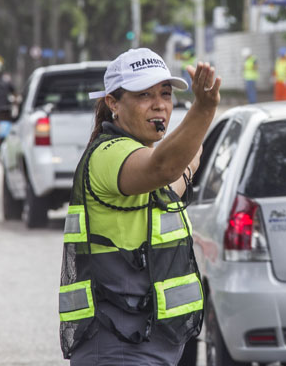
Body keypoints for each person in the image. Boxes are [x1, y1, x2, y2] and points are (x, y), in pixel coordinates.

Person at [59, 47, 220, 365]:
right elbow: (164, 169)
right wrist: (203, 111)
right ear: (113, 103)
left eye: (165, 93)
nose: (159, 104)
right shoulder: (110, 154)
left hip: (151, 344)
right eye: (143, 94)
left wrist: (190, 147)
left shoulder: (145, 164)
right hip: (120, 346)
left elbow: (175, 177)